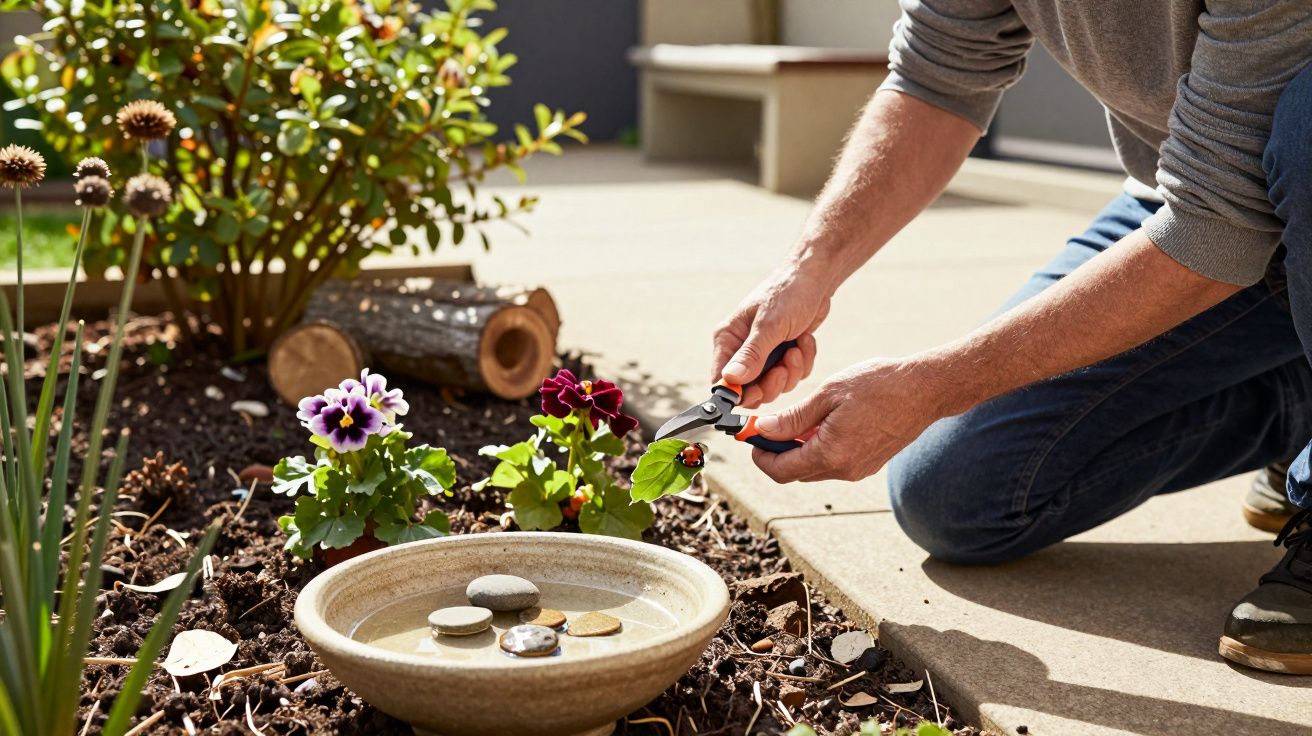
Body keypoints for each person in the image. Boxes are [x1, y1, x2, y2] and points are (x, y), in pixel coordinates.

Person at [711, 1, 1312, 675]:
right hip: (1198, 196)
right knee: (957, 493)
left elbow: (1218, 227)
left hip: (1248, 197)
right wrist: (807, 272)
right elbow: (938, 78)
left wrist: (934, 385)